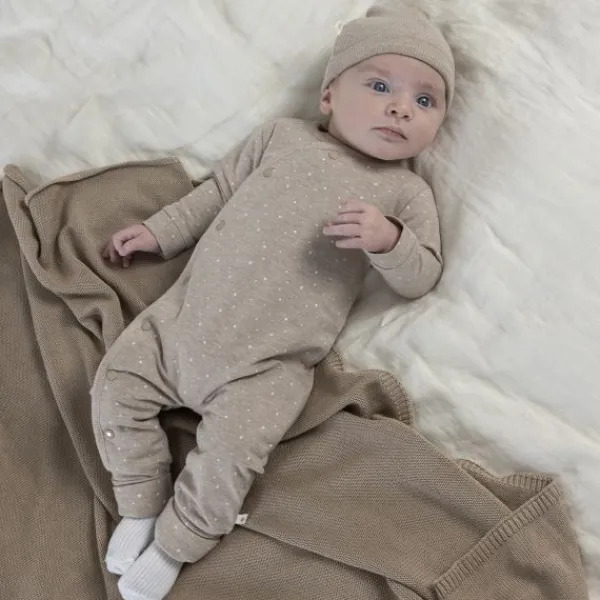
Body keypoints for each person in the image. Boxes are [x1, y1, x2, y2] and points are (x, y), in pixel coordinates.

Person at [91, 4, 455, 599]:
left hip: (268, 363)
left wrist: (389, 240)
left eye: (425, 100)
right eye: (380, 86)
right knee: (114, 388)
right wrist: (158, 232)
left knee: (231, 459)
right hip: (181, 325)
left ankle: (176, 545)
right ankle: (139, 503)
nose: (400, 108)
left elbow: (422, 277)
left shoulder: (405, 192)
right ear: (329, 95)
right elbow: (216, 193)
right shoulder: (280, 137)